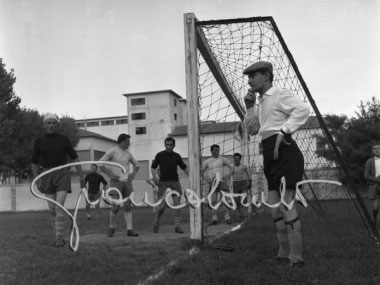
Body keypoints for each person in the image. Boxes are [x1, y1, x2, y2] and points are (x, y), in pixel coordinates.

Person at [243, 61, 309, 268]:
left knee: (286, 204)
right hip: (269, 155)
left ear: (267, 75)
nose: (249, 80)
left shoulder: (280, 94)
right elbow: (253, 130)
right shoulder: (260, 102)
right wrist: (249, 107)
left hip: (286, 153)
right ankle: (283, 253)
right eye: (248, 77)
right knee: (273, 208)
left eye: (253, 76)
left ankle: (297, 259)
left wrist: (284, 130)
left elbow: (302, 110)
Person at [31, 114, 85, 247]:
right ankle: (57, 236)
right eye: (48, 123)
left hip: (62, 173)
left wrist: (81, 176)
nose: (51, 125)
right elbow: (34, 162)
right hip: (46, 174)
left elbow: (74, 158)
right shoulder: (39, 141)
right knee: (51, 209)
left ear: (57, 124)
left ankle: (59, 239)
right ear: (44, 125)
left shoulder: (63, 139)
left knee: (58, 206)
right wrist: (37, 179)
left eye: (53, 123)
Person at [99, 133, 140, 237]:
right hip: (115, 183)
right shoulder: (112, 151)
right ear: (121, 141)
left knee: (127, 206)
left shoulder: (128, 154)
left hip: (126, 183)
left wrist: (132, 175)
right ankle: (111, 228)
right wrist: (110, 174)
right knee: (116, 206)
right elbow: (99, 163)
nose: (129, 143)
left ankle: (130, 230)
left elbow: (137, 165)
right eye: (127, 141)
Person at [151, 137, 189, 233]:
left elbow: (184, 167)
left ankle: (177, 226)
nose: (168, 146)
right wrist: (155, 178)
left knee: (177, 204)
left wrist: (192, 177)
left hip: (175, 182)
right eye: (167, 144)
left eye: (170, 145)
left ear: (174, 145)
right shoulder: (159, 155)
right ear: (165, 145)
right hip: (163, 183)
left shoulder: (177, 156)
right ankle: (156, 221)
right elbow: (153, 167)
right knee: (162, 206)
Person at [202, 144, 234, 225]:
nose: (217, 152)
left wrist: (228, 175)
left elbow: (232, 167)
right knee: (213, 200)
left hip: (222, 181)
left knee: (224, 199)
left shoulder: (222, 159)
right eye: (215, 150)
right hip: (213, 183)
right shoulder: (208, 161)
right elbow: (201, 171)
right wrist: (206, 178)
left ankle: (227, 217)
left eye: (218, 150)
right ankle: (214, 217)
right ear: (211, 151)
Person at [230, 153, 251, 221]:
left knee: (244, 200)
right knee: (237, 202)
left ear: (240, 159)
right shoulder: (232, 167)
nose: (236, 160)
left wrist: (250, 182)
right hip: (235, 184)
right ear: (233, 159)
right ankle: (238, 217)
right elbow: (228, 176)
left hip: (243, 183)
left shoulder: (244, 166)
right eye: (235, 158)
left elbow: (248, 174)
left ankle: (245, 217)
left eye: (238, 158)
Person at [364, 142, 380, 230]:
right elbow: (366, 176)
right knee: (375, 208)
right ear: (372, 151)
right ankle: (374, 218)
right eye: (375, 148)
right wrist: (378, 180)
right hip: (374, 186)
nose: (378, 150)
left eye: (379, 148)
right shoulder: (369, 161)